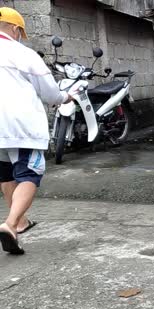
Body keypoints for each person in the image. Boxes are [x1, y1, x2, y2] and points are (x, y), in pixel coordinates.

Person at [0, 7, 70, 255]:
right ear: (16, 29)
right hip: (21, 126)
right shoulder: (23, 54)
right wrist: (66, 97)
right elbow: (50, 93)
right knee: (29, 173)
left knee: (6, 174)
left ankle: (19, 222)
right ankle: (10, 223)